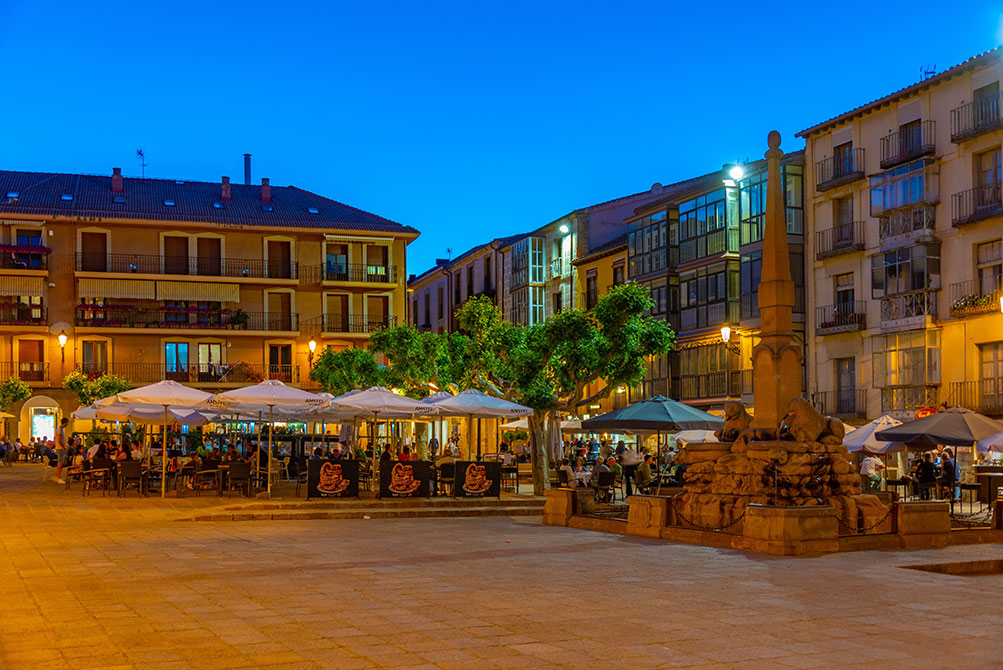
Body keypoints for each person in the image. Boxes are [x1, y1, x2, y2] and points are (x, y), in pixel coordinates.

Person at [54, 417, 69, 484]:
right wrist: (63, 447)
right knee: (60, 463)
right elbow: (59, 440)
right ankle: (59, 477)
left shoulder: (60, 429)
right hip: (60, 448)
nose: (67, 424)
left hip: (60, 448)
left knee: (62, 462)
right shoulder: (59, 430)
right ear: (65, 423)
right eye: (67, 423)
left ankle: (58, 475)